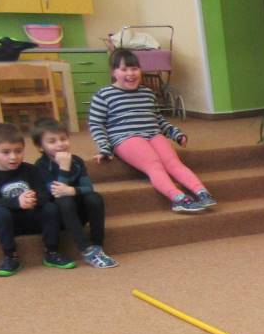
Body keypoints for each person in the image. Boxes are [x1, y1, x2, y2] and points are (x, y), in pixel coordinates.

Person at [87, 48, 214, 214]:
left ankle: (201, 192)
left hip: (153, 134)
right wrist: (104, 147)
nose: (130, 73)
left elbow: (158, 119)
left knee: (173, 163)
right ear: (113, 72)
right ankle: (178, 198)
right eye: (124, 69)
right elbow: (96, 124)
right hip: (126, 138)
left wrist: (175, 133)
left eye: (134, 68)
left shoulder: (147, 93)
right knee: (154, 165)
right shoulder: (104, 95)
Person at [30, 117, 116, 268]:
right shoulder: (41, 165)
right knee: (64, 200)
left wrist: (73, 190)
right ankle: (86, 249)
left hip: (78, 213)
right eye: (52, 141)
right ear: (40, 147)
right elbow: (57, 193)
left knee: (94, 198)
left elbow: (88, 188)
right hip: (60, 217)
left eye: (63, 139)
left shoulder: (76, 161)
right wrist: (64, 167)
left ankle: (97, 246)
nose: (60, 144)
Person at [0, 121, 75, 276]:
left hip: (32, 218)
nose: (13, 157)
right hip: (8, 223)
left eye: (18, 151)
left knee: (50, 208)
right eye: (6, 152)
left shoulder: (31, 170)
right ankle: (10, 256)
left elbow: (45, 195)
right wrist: (17, 202)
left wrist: (33, 199)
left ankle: (52, 252)